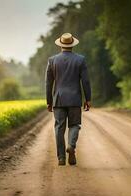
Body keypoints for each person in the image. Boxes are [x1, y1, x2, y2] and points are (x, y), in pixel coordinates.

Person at [45, 33, 91, 166]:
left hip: (58, 100)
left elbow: (48, 83)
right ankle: (71, 146)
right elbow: (86, 81)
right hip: (75, 99)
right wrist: (88, 99)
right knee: (75, 125)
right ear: (72, 45)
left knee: (59, 128)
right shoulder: (80, 60)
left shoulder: (52, 60)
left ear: (60, 45)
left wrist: (49, 101)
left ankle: (61, 158)